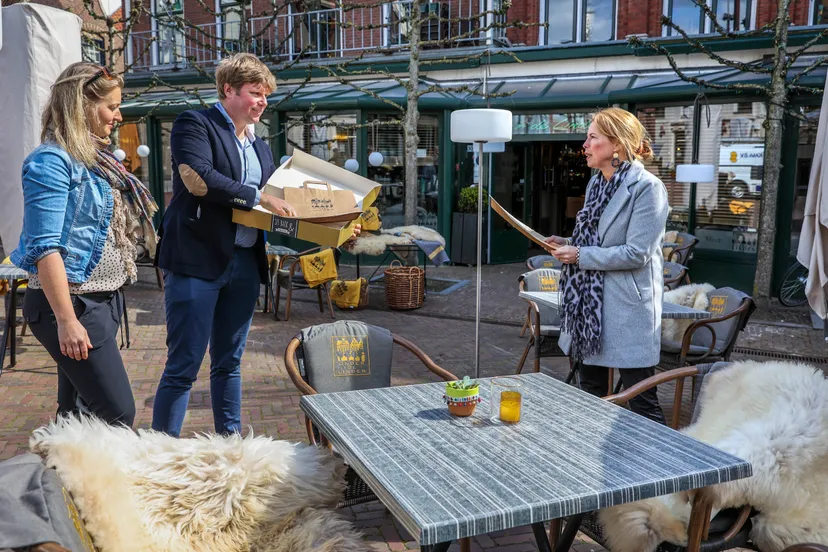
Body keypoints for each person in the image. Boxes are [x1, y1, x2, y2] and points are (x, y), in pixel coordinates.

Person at [152, 53, 358, 437]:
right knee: (184, 364)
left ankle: (230, 443)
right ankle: (162, 451)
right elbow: (201, 178)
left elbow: (285, 208)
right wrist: (259, 197)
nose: (262, 101)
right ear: (228, 89)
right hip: (197, 261)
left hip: (245, 261)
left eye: (266, 95)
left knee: (229, 362)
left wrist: (340, 226)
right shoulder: (195, 124)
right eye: (255, 93)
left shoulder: (261, 148)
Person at [11, 62, 159, 427]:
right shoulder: (51, 162)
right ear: (83, 107)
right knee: (117, 412)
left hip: (101, 300)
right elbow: (45, 247)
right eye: (111, 107)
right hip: (72, 305)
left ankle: (62, 482)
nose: (118, 116)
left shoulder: (95, 160)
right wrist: (66, 320)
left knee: (77, 415)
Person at [545, 107, 669, 424]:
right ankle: (597, 464)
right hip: (591, 310)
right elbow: (597, 238)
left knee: (641, 400)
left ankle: (663, 463)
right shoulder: (596, 184)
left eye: (592, 137)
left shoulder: (648, 188)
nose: (584, 145)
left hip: (627, 310)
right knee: (591, 393)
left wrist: (580, 256)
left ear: (616, 145)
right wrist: (568, 241)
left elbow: (637, 253)